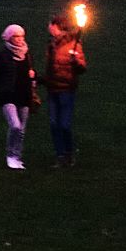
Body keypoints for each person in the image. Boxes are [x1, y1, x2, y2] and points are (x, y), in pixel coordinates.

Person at [0, 24, 39, 170]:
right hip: (8, 95)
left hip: (24, 96)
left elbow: (30, 72)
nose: (19, 39)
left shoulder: (26, 53)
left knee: (22, 129)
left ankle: (17, 156)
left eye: (21, 36)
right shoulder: (3, 54)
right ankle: (10, 155)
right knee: (15, 126)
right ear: (10, 37)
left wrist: (34, 76)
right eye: (16, 36)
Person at [42, 16, 87, 166]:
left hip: (66, 90)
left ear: (57, 26)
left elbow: (82, 67)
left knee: (64, 125)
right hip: (52, 90)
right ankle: (60, 155)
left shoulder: (74, 44)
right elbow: (50, 69)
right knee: (54, 124)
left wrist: (76, 62)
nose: (48, 27)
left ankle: (69, 153)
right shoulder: (51, 45)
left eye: (50, 25)